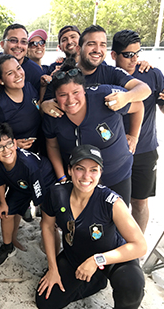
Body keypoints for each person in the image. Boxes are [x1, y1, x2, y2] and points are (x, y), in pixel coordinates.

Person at [36, 144, 147, 309]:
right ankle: (96, 281)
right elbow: (47, 226)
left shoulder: (112, 202)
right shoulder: (56, 193)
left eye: (93, 170)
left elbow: (140, 246)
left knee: (131, 285)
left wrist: (97, 260)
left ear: (100, 173)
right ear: (70, 170)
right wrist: (53, 268)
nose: (86, 176)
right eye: (80, 169)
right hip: (76, 256)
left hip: (111, 257)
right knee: (46, 302)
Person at [42, 59, 144, 205]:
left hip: (117, 175)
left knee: (117, 222)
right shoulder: (53, 113)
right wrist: (62, 179)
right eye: (63, 94)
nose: (70, 100)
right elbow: (52, 146)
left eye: (76, 92)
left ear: (84, 89)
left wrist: (134, 135)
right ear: (55, 96)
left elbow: (138, 106)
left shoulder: (104, 97)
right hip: (80, 181)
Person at [111, 30, 164, 233]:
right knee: (114, 203)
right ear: (114, 55)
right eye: (128, 54)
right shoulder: (109, 75)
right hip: (115, 152)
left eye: (137, 53)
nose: (134, 59)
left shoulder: (153, 74)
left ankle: (136, 248)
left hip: (145, 149)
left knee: (140, 202)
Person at [42, 25, 151, 119]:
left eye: (102, 44)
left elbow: (144, 89)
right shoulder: (63, 74)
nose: (97, 50)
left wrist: (126, 97)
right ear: (79, 49)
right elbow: (44, 107)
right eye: (91, 44)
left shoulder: (112, 73)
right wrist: (44, 105)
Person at [0, 123, 56, 266]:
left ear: (15, 143)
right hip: (20, 185)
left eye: (9, 144)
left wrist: (46, 213)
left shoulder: (29, 165)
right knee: (7, 213)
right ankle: (8, 246)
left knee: (49, 223)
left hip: (44, 181)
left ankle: (55, 260)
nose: (6, 150)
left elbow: (39, 197)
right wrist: (2, 202)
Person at [0, 24, 43, 93]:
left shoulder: (36, 72)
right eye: (13, 40)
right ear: (2, 44)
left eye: (23, 41)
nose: (19, 45)